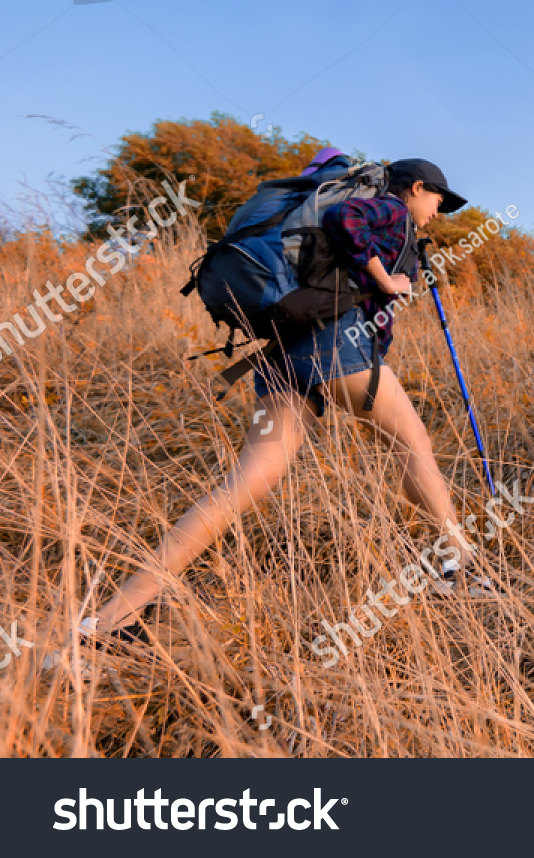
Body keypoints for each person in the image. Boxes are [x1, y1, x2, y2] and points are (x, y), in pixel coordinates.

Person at [88, 158, 485, 641]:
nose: (437, 213)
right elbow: (348, 222)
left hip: (283, 350)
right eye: (438, 202)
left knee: (244, 483)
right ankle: (461, 566)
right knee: (411, 442)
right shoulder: (391, 209)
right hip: (335, 344)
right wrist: (386, 280)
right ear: (416, 188)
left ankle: (112, 616)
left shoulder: (343, 212)